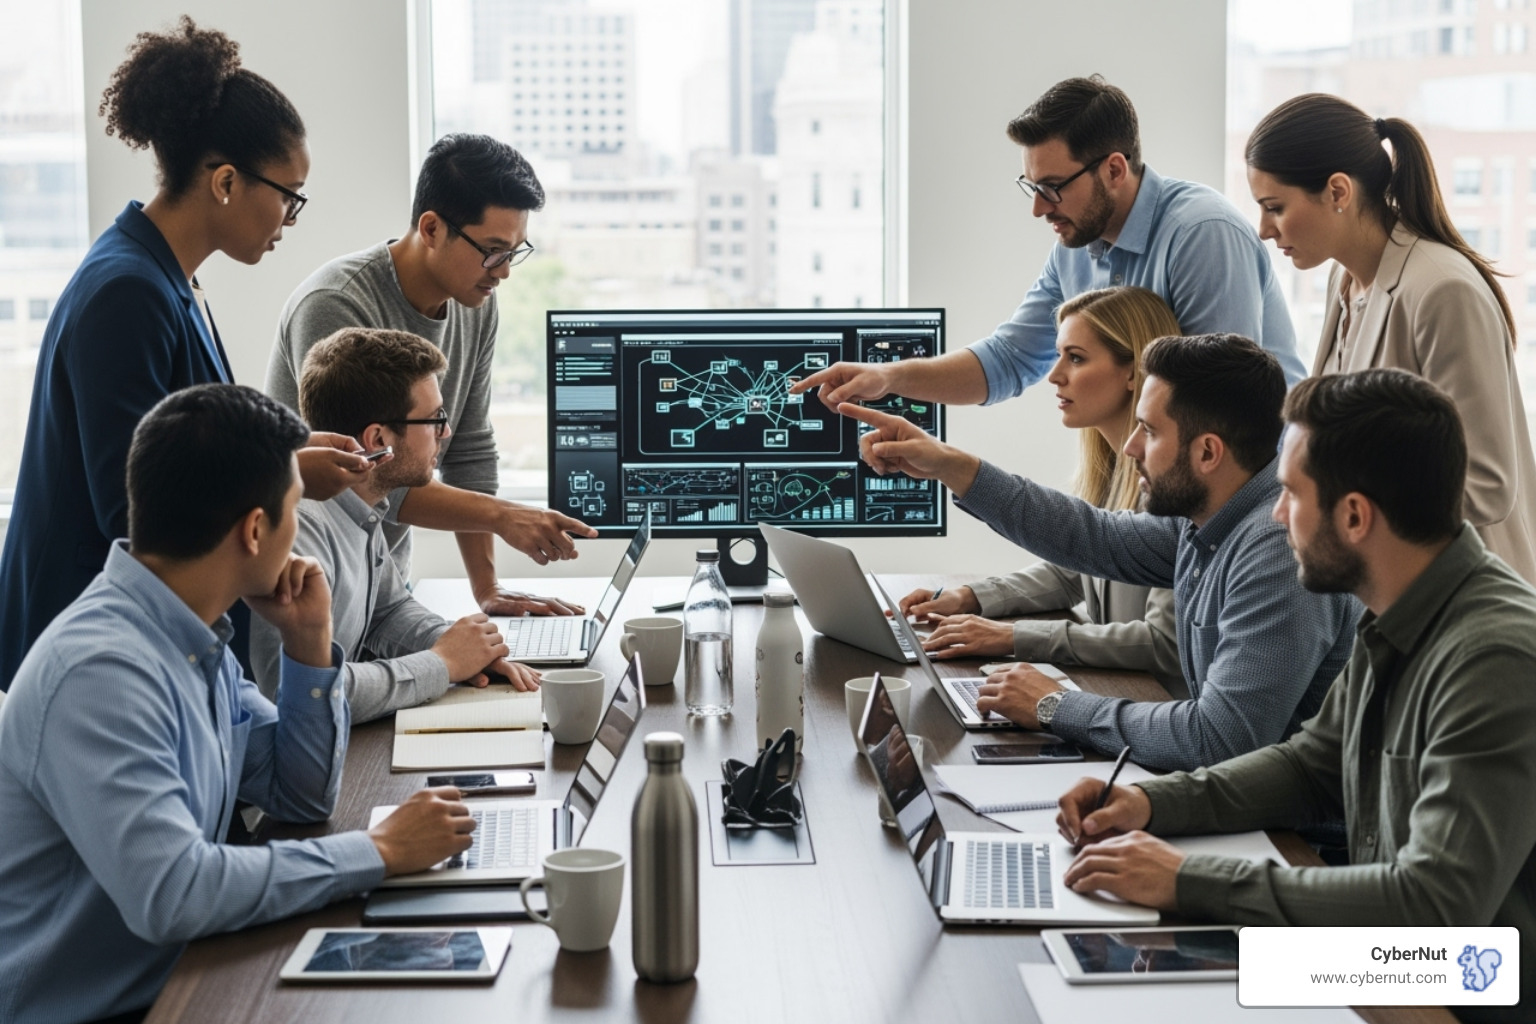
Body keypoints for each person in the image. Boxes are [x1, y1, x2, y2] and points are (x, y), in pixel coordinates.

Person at [1054, 369, 1536, 1024]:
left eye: (1289, 494)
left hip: (1456, 989)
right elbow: (1311, 766)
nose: (1277, 515)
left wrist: (1187, 879)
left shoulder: (1493, 658)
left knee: (1180, 978)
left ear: (1355, 516)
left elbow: (1433, 906)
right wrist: (1147, 803)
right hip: (1396, 966)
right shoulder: (1397, 610)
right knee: (1131, 975)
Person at [0, 385, 476, 1024]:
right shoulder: (101, 671)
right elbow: (175, 894)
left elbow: (299, 794)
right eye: (294, 508)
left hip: (190, 973)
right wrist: (380, 850)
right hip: (114, 1009)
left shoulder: (194, 638)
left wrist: (310, 646)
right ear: (257, 529)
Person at [0, 17, 372, 690]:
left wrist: (283, 460)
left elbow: (187, 449)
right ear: (226, 181)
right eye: (288, 199)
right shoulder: (126, 291)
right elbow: (139, 509)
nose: (290, 222)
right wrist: (285, 476)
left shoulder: (166, 276)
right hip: (94, 655)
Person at [844, 334, 1358, 772]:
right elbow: (1093, 537)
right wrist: (947, 465)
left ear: (1207, 453)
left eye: (1150, 431)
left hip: (1294, 841)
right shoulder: (1211, 519)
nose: (1131, 447)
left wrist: (1055, 706)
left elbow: (1220, 738)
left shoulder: (1276, 548)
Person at [789, 74, 1304, 413]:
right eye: (1032, 188)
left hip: (1249, 511)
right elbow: (1011, 359)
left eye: (1052, 187)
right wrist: (889, 378)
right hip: (1156, 488)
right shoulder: (1075, 246)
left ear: (1115, 169)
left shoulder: (1201, 236)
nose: (1039, 208)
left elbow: (1220, 405)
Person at [266, 132, 596, 617]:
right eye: (493, 250)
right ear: (432, 227)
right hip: (307, 589)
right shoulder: (336, 305)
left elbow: (470, 448)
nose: (503, 272)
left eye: (514, 252)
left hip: (384, 590)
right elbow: (369, 473)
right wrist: (504, 517)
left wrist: (487, 588)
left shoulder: (476, 302)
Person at [1245, 93, 1536, 585]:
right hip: (1386, 598)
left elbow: (1487, 484)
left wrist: (1336, 514)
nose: (1264, 230)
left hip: (1462, 603)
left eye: (1275, 207)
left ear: (1338, 191)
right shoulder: (1348, 285)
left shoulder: (1442, 288)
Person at [897, 286, 1185, 693]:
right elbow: (1073, 573)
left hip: (1155, 712)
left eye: (1076, 358)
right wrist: (971, 597)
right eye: (1060, 355)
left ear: (1133, 372)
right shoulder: (1109, 469)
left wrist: (1012, 638)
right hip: (1117, 693)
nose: (1054, 375)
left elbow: (1164, 643)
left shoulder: (1175, 487)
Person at [251, 328, 542, 721]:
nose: (446, 432)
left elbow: (387, 611)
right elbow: (294, 693)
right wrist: (441, 664)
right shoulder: (299, 531)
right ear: (377, 439)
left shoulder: (362, 506)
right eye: (435, 419)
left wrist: (463, 647)